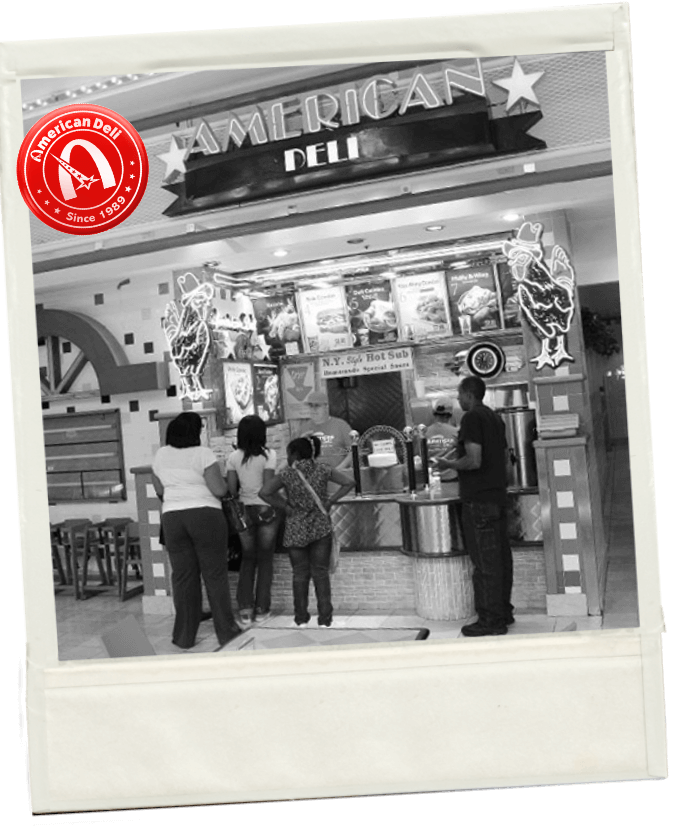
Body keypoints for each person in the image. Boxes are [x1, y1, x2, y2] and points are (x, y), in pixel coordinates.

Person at [151, 412, 241, 650]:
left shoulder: (160, 455)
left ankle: (184, 636)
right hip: (205, 517)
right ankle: (226, 632)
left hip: (172, 518)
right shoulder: (203, 454)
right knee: (214, 576)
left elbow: (159, 488)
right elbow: (219, 490)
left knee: (182, 578)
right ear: (195, 432)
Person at [432, 376, 513, 636]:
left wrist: (448, 465)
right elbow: (503, 459)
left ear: (469, 394)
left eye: (459, 394)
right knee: (500, 560)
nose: (457, 399)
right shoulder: (493, 417)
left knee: (484, 563)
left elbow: (474, 460)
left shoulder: (471, 418)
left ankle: (491, 621)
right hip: (497, 497)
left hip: (479, 501)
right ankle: (503, 612)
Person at [259, 436, 354, 628]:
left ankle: (301, 619)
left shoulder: (287, 474)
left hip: (295, 528)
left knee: (299, 574)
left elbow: (264, 492)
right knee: (321, 573)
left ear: (294, 454)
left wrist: (285, 507)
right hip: (320, 527)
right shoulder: (323, 469)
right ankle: (325, 620)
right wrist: (330, 501)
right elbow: (349, 482)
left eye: (288, 453)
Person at [226, 415, 280, 627]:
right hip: (266, 510)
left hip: (242, 512)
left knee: (248, 559)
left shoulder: (233, 457)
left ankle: (245, 610)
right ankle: (262, 609)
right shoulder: (269, 455)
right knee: (265, 559)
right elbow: (267, 487)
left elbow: (230, 490)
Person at [302, 391, 353, 471]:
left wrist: (337, 470)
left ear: (326, 407)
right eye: (311, 406)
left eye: (317, 406)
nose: (313, 409)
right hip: (313, 478)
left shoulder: (341, 425)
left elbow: (352, 451)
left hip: (339, 477)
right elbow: (296, 456)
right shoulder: (303, 429)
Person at [425, 396, 459, 482]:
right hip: (452, 478)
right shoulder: (456, 432)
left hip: (431, 478)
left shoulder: (424, 433)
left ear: (434, 413)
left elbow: (418, 457)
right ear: (450, 415)